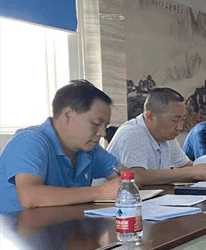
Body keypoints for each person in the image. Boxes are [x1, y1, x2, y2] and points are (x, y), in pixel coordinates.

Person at [0, 80, 122, 213]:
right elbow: (30, 197)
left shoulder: (89, 149)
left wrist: (127, 182)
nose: (102, 133)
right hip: (17, 226)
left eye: (105, 126)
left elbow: (126, 177)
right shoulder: (30, 141)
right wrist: (100, 192)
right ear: (68, 115)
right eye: (96, 123)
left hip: (64, 224)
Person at [107, 88, 206, 186]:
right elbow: (137, 176)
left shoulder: (167, 137)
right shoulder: (134, 133)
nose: (180, 127)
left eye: (182, 119)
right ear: (150, 116)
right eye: (174, 120)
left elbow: (188, 166)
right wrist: (190, 172)